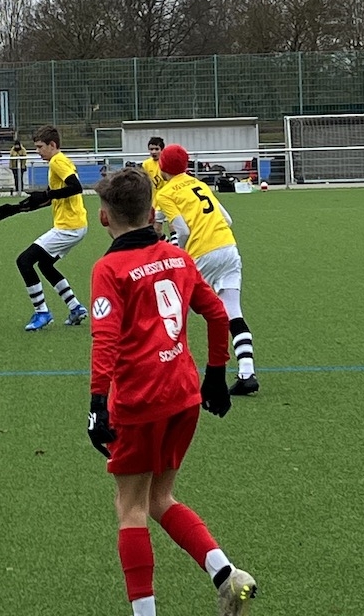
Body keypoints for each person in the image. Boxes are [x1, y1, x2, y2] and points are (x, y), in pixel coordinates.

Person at [87, 167, 256, 616]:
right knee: (160, 498)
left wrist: (97, 402)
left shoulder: (108, 268)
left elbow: (105, 339)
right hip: (183, 397)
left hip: (139, 402)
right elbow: (217, 313)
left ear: (104, 217)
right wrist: (215, 374)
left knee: (130, 508)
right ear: (152, 213)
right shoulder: (178, 258)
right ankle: (227, 575)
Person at [154, 144, 259, 396]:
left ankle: (165, 376)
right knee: (233, 311)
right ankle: (247, 372)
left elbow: (182, 230)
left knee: (174, 315)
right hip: (228, 247)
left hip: (202, 253)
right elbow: (227, 220)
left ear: (162, 166)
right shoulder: (198, 184)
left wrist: (176, 251)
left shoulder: (165, 193)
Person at [0, 124, 89, 330]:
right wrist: (18, 208)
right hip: (75, 226)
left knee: (24, 261)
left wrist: (46, 194)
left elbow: (76, 188)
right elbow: (49, 198)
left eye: (40, 147)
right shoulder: (59, 162)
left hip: (68, 227)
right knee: (45, 265)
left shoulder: (57, 161)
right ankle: (75, 307)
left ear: (52, 145)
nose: (37, 151)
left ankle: (42, 312)